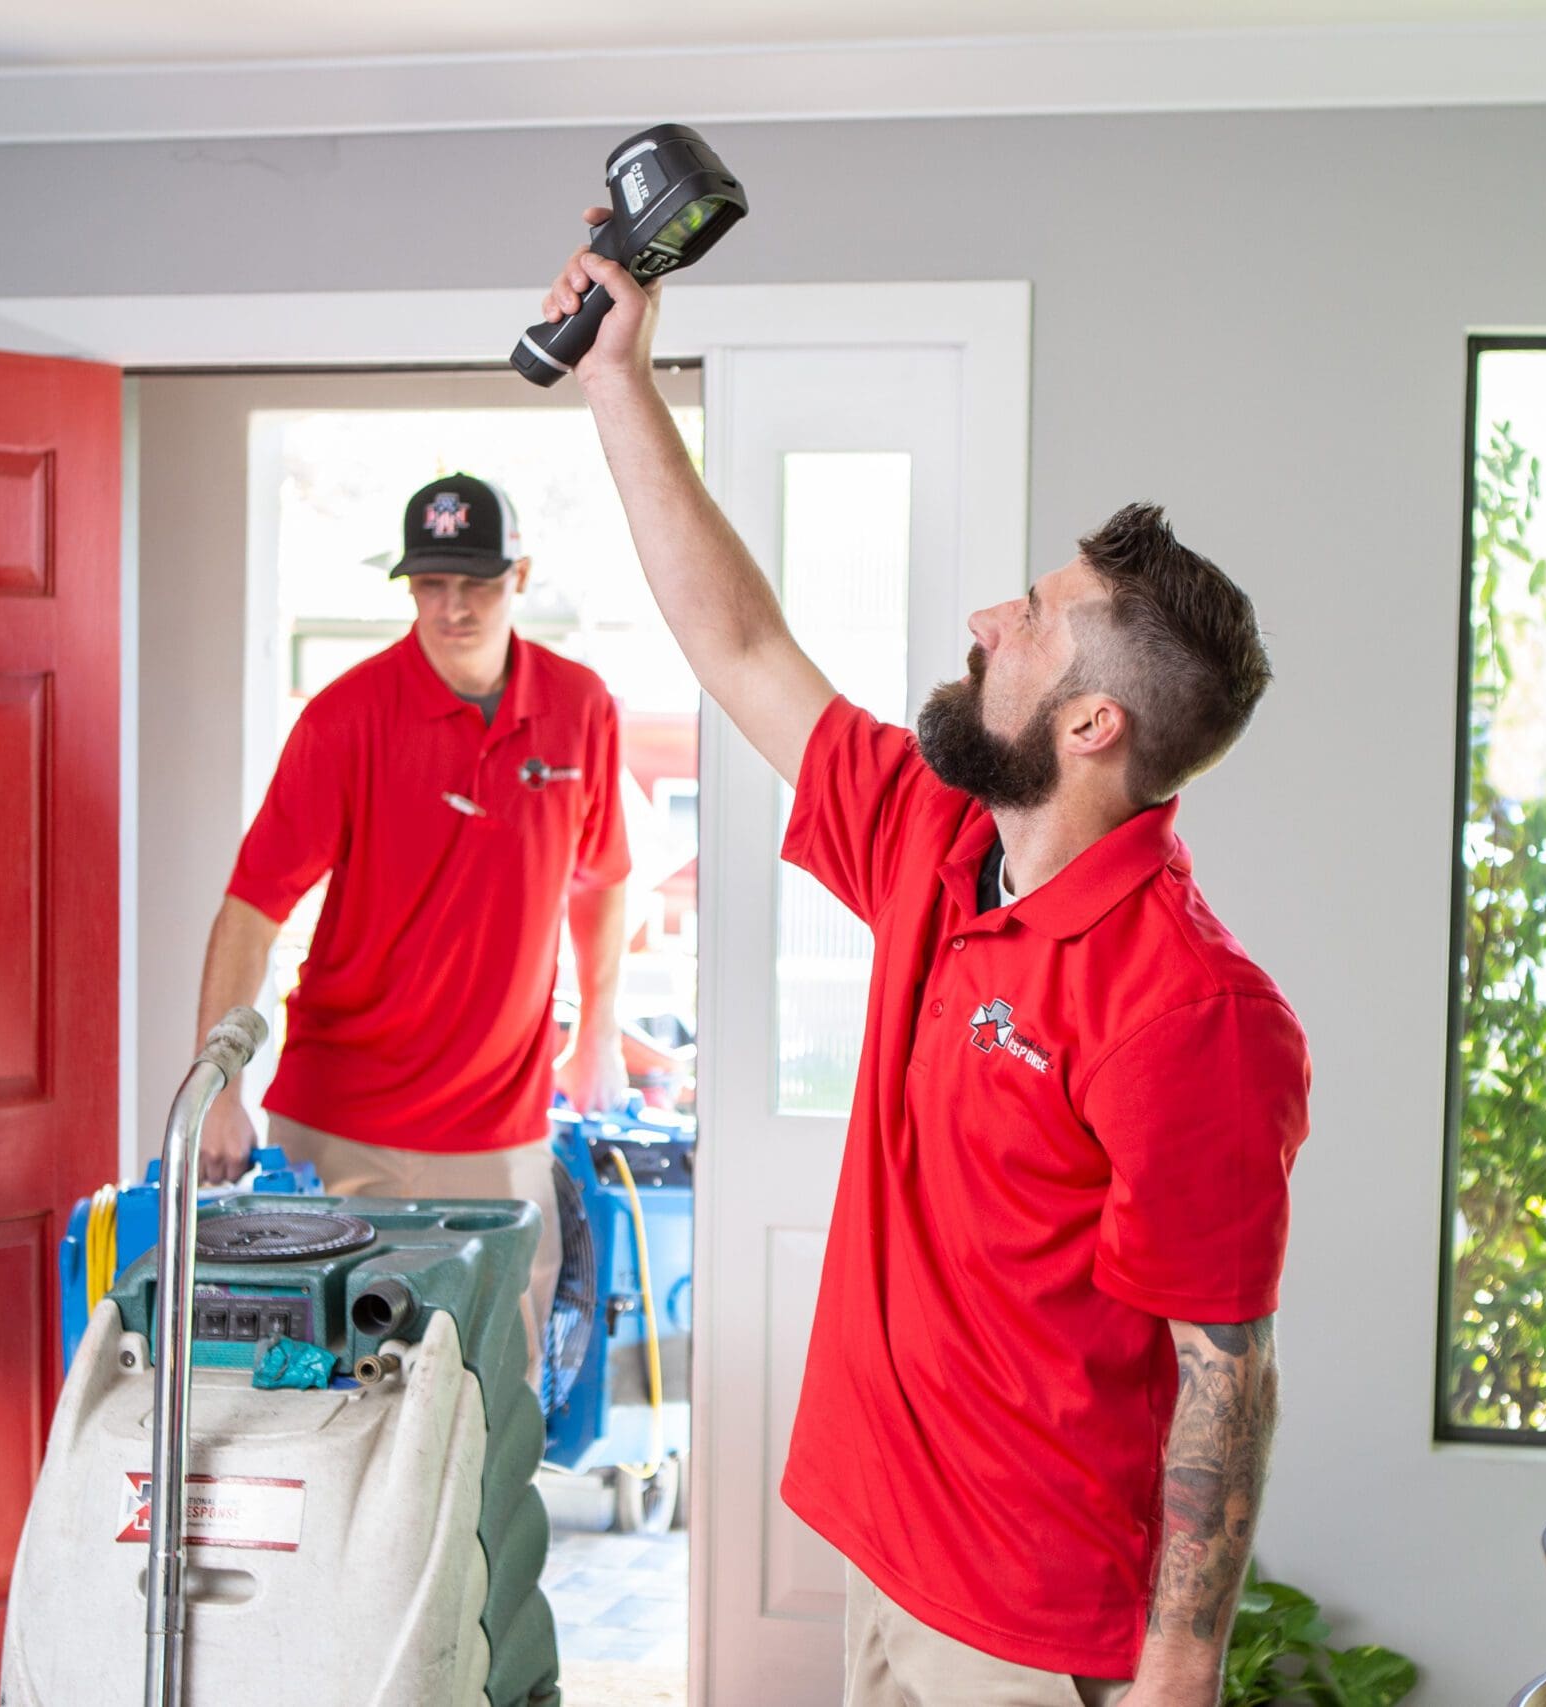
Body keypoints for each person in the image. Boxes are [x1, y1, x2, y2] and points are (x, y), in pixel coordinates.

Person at [543, 237, 1310, 1706]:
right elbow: (745, 640)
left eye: (1030, 616)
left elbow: (1226, 1373)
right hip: (889, 1557)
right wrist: (617, 379)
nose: (986, 620)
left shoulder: (1189, 1010)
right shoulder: (936, 833)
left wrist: (1176, 1677)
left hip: (1030, 1627)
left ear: (1092, 725)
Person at [193, 471, 632, 1371]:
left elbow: (600, 881)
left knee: (496, 1398)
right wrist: (218, 1089)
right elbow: (251, 909)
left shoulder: (581, 710)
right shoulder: (346, 718)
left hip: (502, 1130)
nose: (453, 606)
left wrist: (598, 1035)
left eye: (476, 583)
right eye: (431, 583)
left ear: (521, 576)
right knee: (334, 1394)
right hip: (342, 1123)